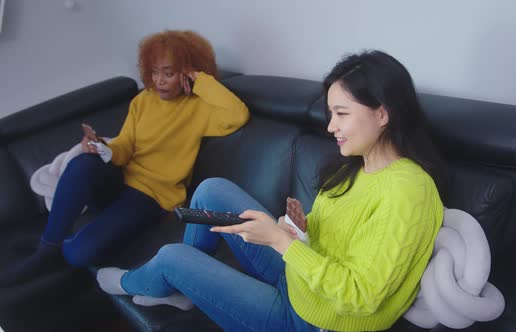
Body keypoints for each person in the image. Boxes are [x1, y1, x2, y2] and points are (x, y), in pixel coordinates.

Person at [97, 50, 446, 331]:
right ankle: (182, 289)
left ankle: (135, 282)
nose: (330, 126)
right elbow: (341, 244)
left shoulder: (407, 192)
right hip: (302, 278)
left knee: (173, 257)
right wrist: (301, 229)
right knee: (210, 190)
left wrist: (283, 242)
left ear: (382, 114)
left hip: (313, 320)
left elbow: (361, 295)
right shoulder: (358, 163)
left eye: (341, 113)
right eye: (330, 113)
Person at [0, 30, 249, 287]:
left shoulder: (200, 108)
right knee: (83, 163)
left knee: (79, 254)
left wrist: (201, 80)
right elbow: (125, 144)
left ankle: (62, 248)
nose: (159, 81)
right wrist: (102, 147)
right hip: (120, 178)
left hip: (151, 197)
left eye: (168, 73)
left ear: (187, 71)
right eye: (154, 72)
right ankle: (48, 247)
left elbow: (237, 115)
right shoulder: (143, 100)